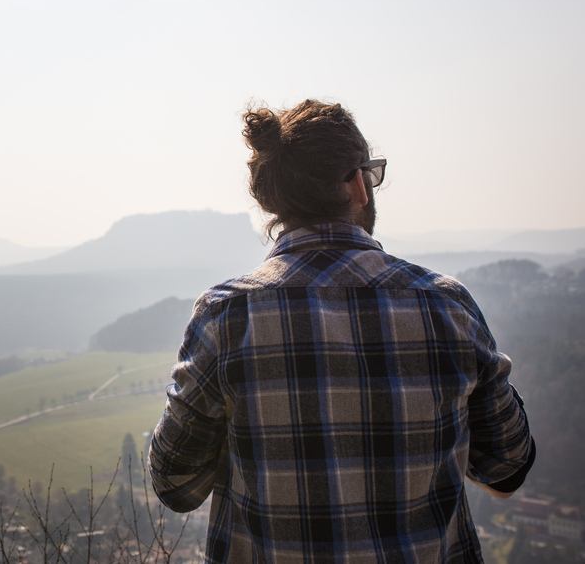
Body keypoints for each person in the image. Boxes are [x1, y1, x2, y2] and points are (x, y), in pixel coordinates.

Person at [148, 100, 535, 563]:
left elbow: (175, 484)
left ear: (272, 199)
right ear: (357, 184)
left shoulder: (227, 318)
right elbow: (507, 468)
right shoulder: (446, 306)